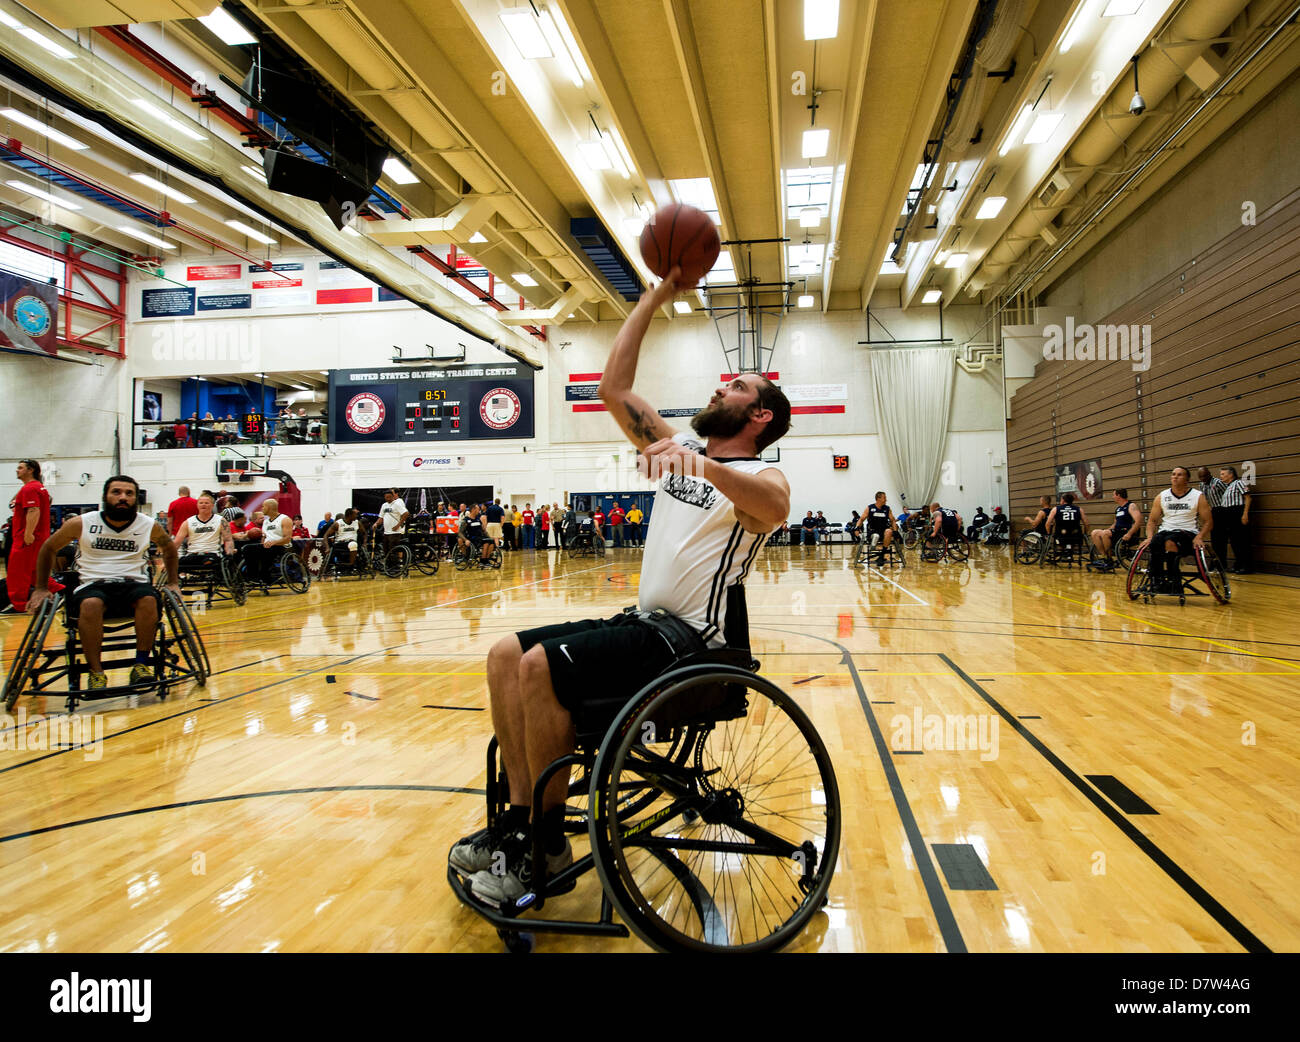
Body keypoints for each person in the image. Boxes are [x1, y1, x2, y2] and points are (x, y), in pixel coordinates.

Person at [449, 266, 792, 903]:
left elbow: (774, 508)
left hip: (692, 645)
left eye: (737, 385)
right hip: (644, 626)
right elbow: (613, 386)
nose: (723, 385)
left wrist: (698, 461)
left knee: (540, 668)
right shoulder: (683, 451)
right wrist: (657, 293)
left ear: (759, 414)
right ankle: (520, 827)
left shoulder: (758, 475)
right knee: (504, 654)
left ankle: (545, 845)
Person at [30, 476, 179, 691]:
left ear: (136, 499)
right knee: (91, 604)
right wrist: (42, 588)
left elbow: (169, 548)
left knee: (148, 599)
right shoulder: (82, 522)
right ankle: (96, 672)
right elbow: (48, 548)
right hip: (93, 583)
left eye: (129, 494)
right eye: (116, 492)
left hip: (132, 582)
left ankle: (141, 665)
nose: (123, 498)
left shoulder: (148, 525)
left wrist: (173, 582)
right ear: (105, 496)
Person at [1137, 466, 1212, 593]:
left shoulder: (1197, 496)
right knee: (1155, 542)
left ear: (1187, 479)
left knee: (1170, 541)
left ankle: (1174, 581)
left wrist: (1200, 536)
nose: (1175, 477)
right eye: (1173, 474)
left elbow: (1209, 521)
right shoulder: (1162, 496)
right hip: (1166, 531)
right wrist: (1149, 537)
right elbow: (1152, 521)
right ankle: (1156, 580)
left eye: (1179, 474)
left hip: (1187, 532)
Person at [3, 459, 52, 614]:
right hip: (37, 537)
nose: (17, 470)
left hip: (28, 539)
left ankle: (19, 604)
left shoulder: (30, 489)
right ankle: (59, 593)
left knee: (17, 573)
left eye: (20, 468)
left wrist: (28, 533)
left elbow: (33, 510)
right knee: (35, 573)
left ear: (30, 470)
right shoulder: (38, 487)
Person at [175, 492, 237, 582]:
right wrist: (168, 558)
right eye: (201, 503)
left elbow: (228, 539)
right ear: (197, 505)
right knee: (176, 563)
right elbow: (177, 542)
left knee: (210, 561)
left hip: (212, 554)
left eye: (206, 503)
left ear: (212, 505)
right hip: (193, 554)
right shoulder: (188, 522)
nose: (203, 505)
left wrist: (229, 554)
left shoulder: (221, 520)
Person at [1202, 465, 1253, 573]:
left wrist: (1245, 514)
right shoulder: (1228, 486)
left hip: (1237, 512)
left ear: (1231, 474)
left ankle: (1246, 566)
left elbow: (1248, 497)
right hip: (1228, 514)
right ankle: (1238, 564)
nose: (1221, 476)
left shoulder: (1239, 483)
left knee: (1241, 541)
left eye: (1223, 474)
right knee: (1234, 542)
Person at [1090, 489, 1142, 562]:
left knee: (1105, 534)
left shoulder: (1131, 505)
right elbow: (1115, 523)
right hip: (1116, 532)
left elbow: (1138, 521)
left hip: (1125, 532)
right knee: (1094, 533)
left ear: (1118, 495)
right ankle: (1105, 556)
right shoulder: (1118, 509)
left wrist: (1129, 534)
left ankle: (1109, 558)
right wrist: (1107, 530)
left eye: (1114, 495)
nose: (1113, 497)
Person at [860, 492, 899, 563]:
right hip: (872, 531)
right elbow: (861, 519)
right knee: (875, 535)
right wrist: (857, 528)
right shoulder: (870, 508)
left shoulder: (887, 509)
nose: (886, 500)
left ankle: (881, 556)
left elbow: (893, 520)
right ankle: (873, 541)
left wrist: (895, 531)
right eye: (884, 498)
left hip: (883, 531)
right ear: (878, 498)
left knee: (889, 531)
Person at [379, 488, 409, 554]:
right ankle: (388, 562)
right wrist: (376, 524)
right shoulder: (384, 505)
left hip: (396, 531)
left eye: (392, 493)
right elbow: (381, 517)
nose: (388, 498)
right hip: (387, 531)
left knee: (393, 550)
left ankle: (395, 562)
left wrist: (398, 525)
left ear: (394, 494)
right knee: (386, 550)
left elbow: (406, 513)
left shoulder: (398, 502)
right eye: (386, 497)